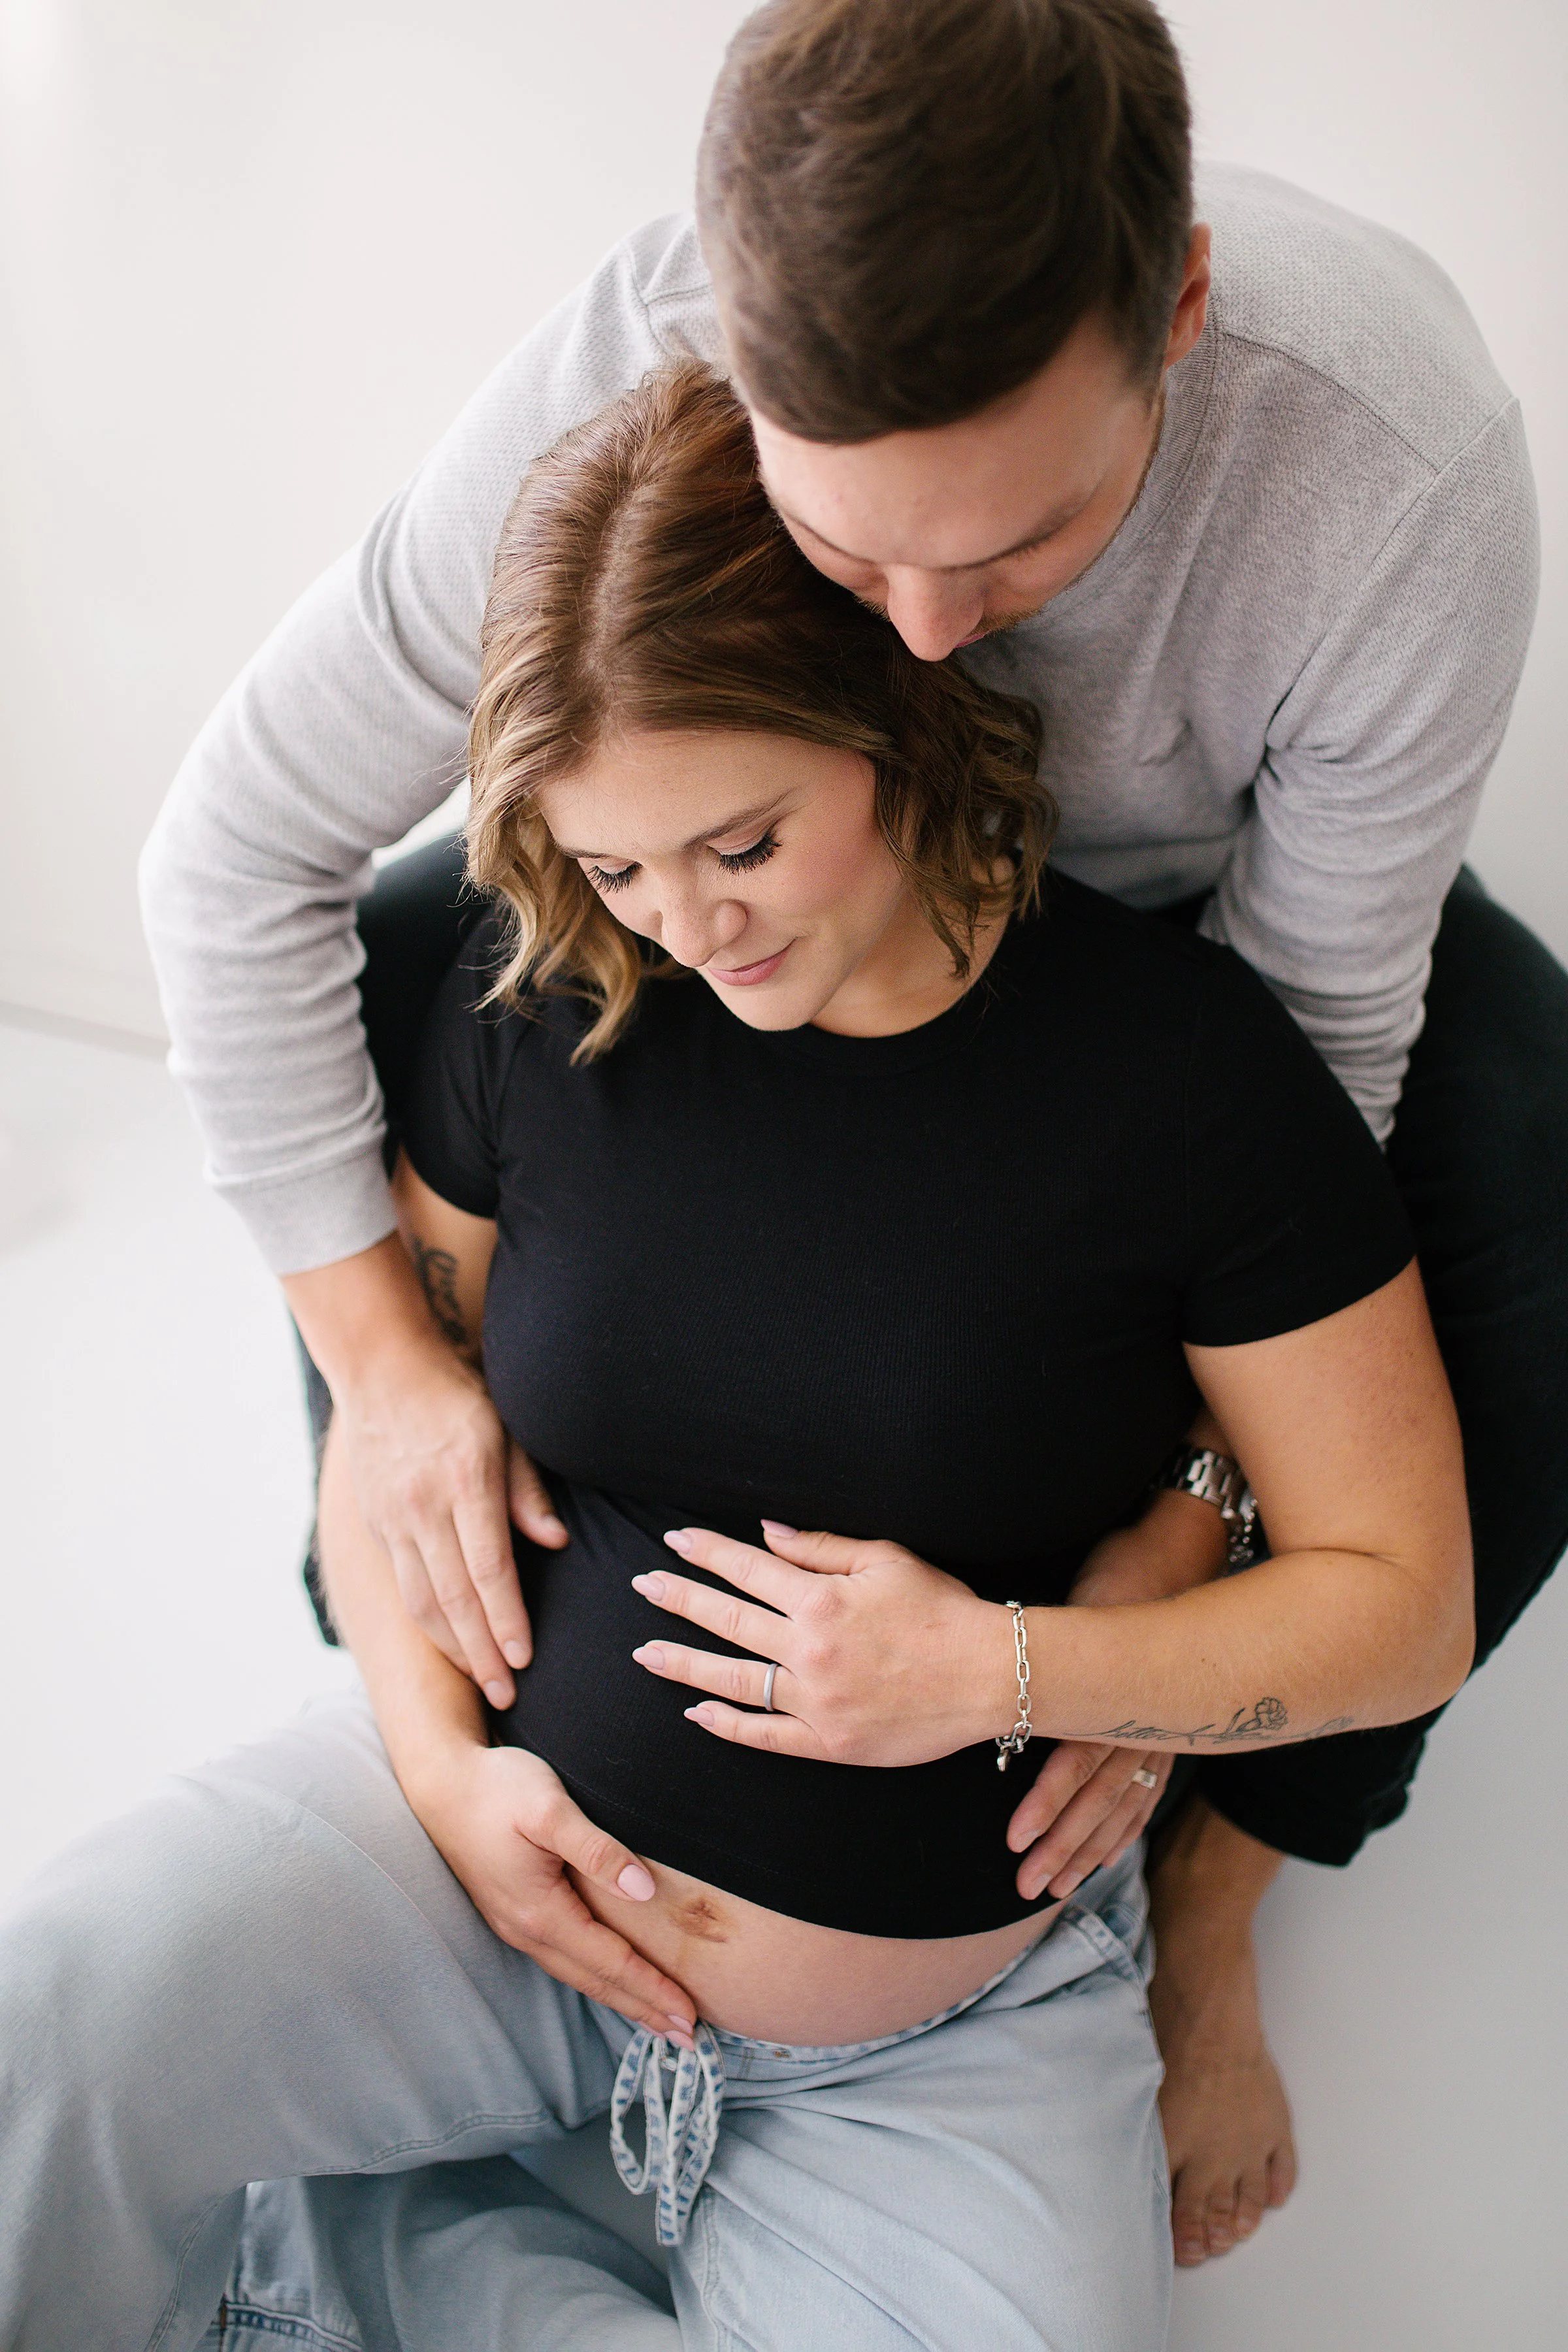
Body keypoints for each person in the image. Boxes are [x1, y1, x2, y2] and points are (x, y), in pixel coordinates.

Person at [137, 0, 1563, 2268]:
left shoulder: (1396, 473)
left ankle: (1215, 1880)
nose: (922, 630)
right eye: (849, 542)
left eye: (1017, 544)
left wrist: (1177, 1547)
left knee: (1527, 1153)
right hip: (767, 821)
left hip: (1195, 932)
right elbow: (235, 854)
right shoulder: (633, 357)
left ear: (1180, 309)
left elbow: (1313, 1053)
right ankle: (436, 1651)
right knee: (444, 959)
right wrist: (391, 1372)